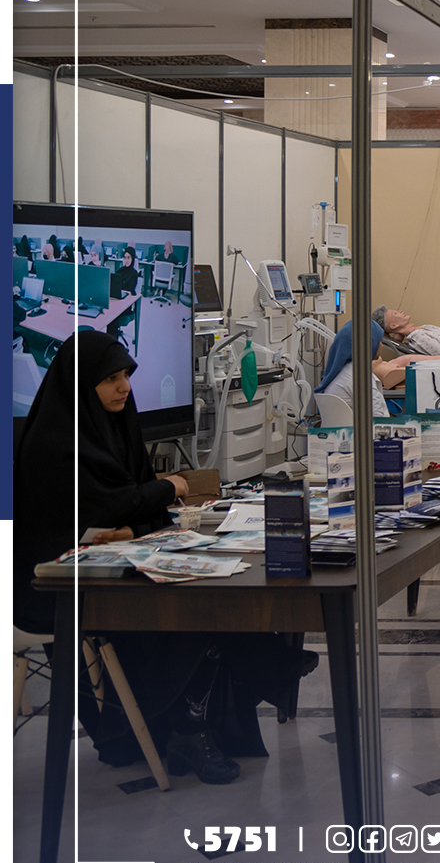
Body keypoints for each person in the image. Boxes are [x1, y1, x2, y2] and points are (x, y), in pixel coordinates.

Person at [13, 332, 316, 784]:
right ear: (80, 385)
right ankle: (217, 705)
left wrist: (136, 524)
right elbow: (101, 510)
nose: (124, 387)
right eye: (110, 379)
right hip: (60, 586)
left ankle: (203, 715)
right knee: (186, 611)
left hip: (116, 562)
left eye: (126, 375)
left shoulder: (114, 427)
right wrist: (165, 489)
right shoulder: (53, 445)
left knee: (204, 593)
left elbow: (132, 513)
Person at [316, 321, 429, 420]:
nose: (381, 346)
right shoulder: (358, 377)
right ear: (368, 344)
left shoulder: (346, 371)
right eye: (379, 341)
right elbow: (379, 419)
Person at [375, 304, 440, 359]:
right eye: (395, 313)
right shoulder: (419, 338)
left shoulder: (423, 328)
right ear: (394, 325)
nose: (400, 311)